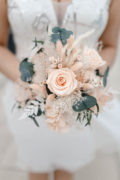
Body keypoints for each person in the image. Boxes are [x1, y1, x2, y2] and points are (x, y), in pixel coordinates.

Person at [0, 0, 120, 180]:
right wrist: (34, 81)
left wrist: (85, 79)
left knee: (68, 162)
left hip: (79, 100)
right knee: (36, 162)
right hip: (27, 96)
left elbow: (109, 44)